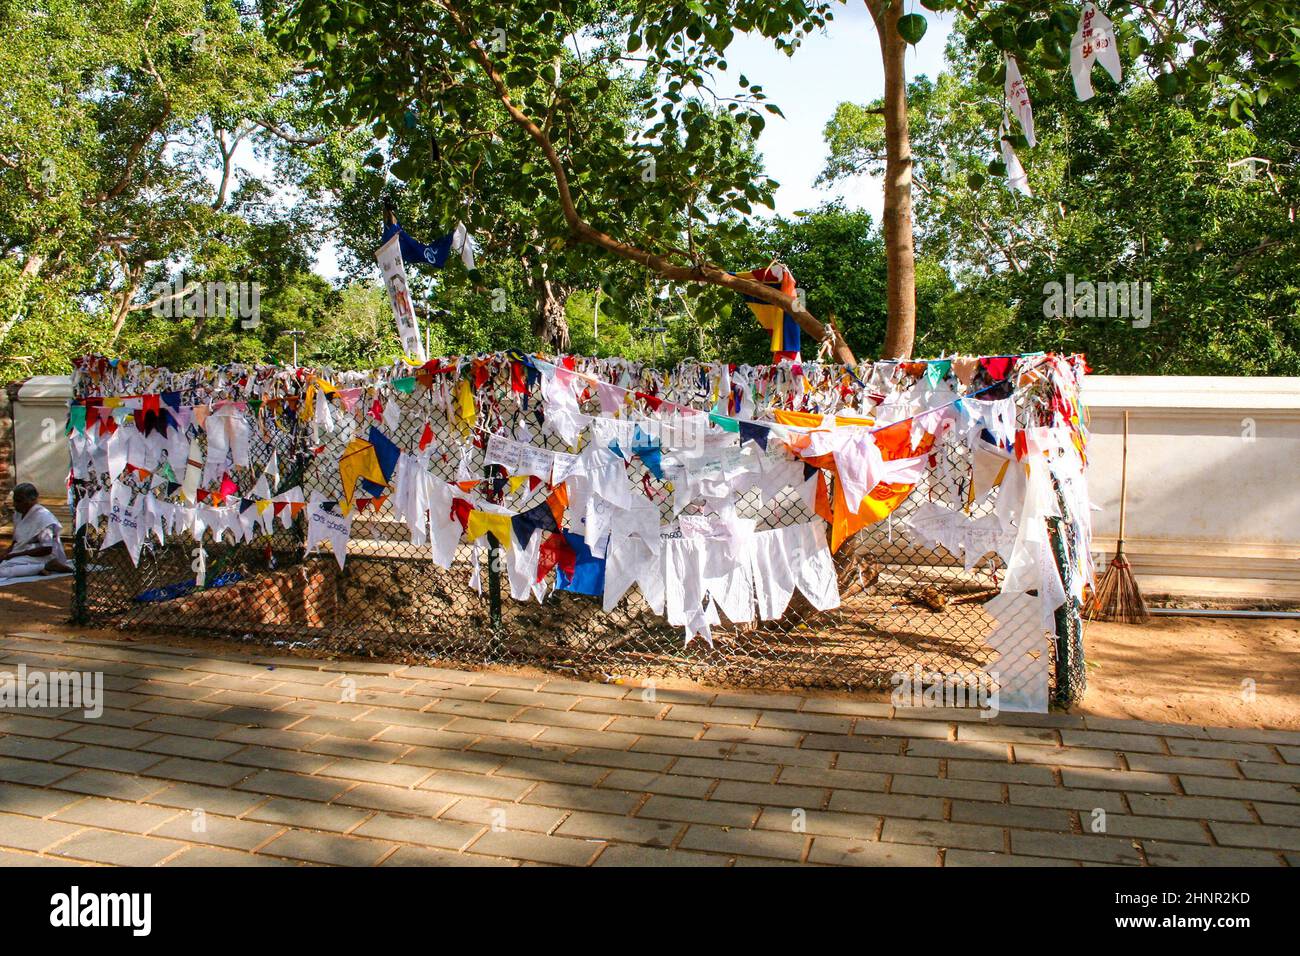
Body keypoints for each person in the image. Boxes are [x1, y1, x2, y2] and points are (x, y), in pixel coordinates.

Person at [0, 483, 70, 578]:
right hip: (23, 552)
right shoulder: (18, 514)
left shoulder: (43, 517)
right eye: (14, 500)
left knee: (2, 571)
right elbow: (17, 541)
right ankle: (39, 568)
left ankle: (46, 566)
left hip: (43, 556)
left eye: (19, 501)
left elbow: (47, 549)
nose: (14, 504)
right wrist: (6, 553)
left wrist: (15, 555)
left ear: (30, 501)